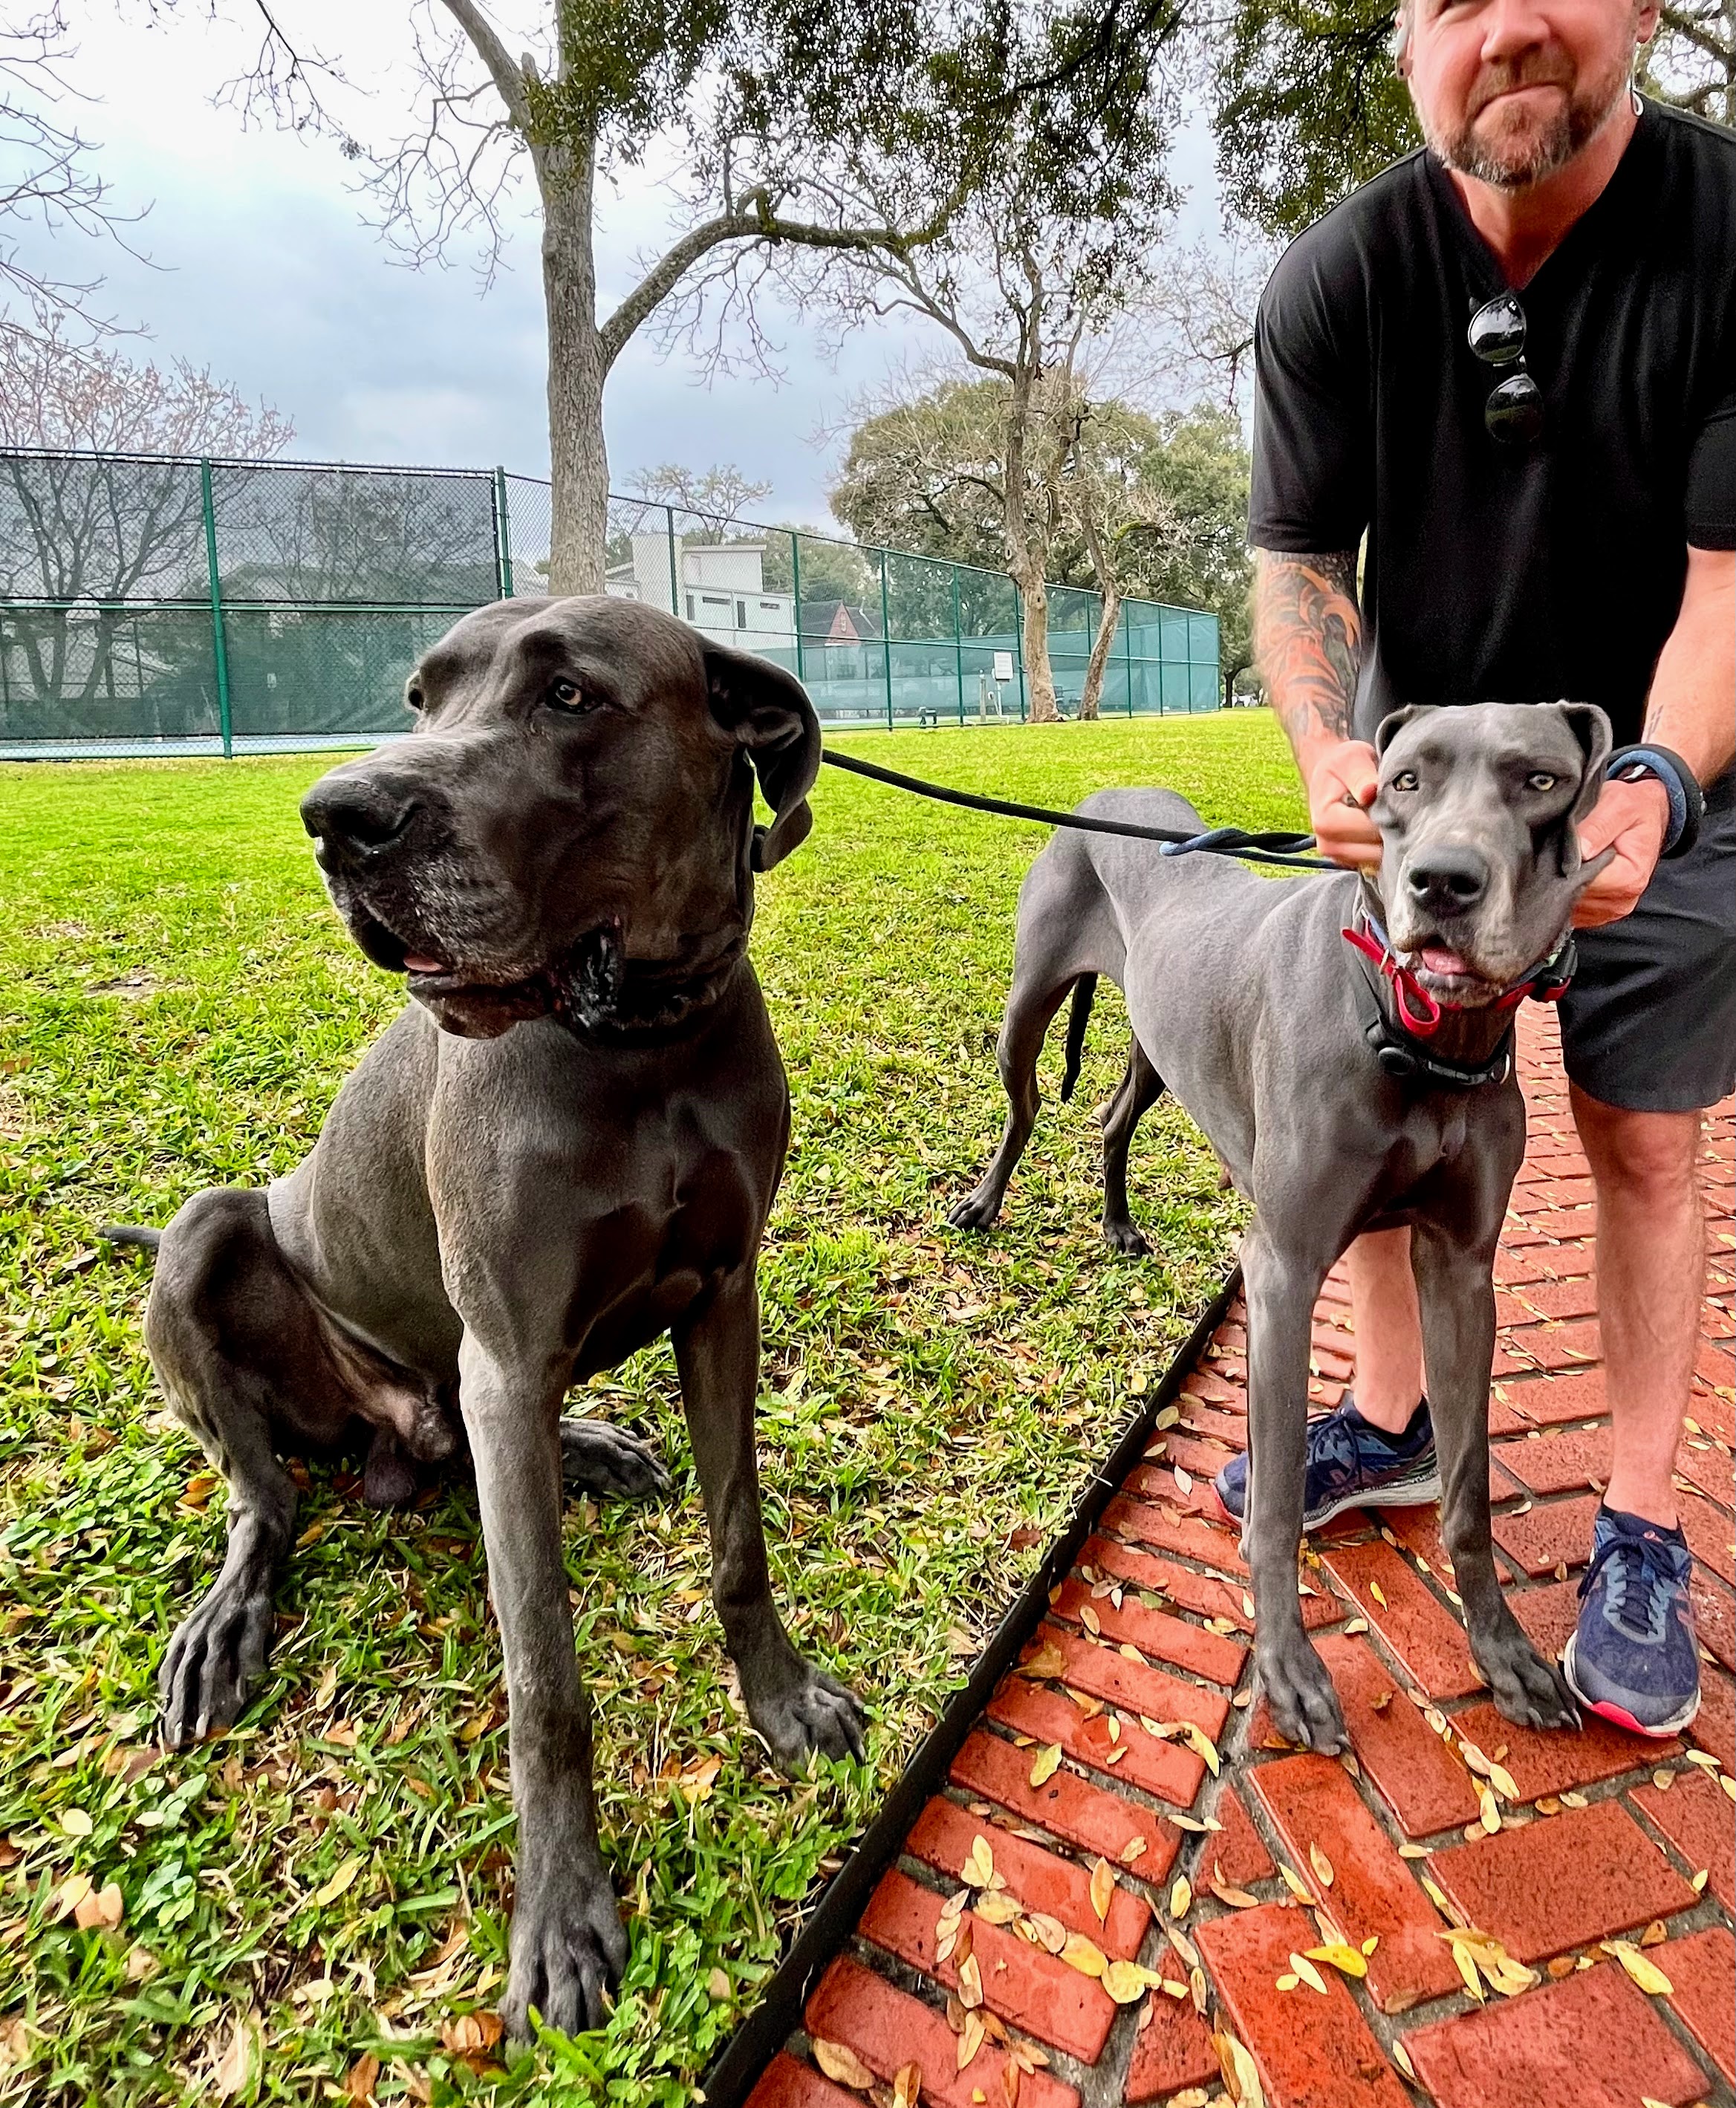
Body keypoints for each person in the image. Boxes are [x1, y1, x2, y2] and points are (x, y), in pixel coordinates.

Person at [1209, 0, 1735, 1737]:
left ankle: (1641, 1527)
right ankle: (1391, 1411)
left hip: (1662, 755)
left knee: (1637, 1136)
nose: (1502, 22)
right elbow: (1291, 548)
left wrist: (1644, 787)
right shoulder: (1337, 277)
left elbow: (1727, 583)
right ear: (1401, 43)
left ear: (1642, 10)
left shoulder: (1725, 234)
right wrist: (1326, 756)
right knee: (1370, 1067)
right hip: (1423, 779)